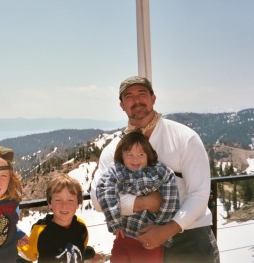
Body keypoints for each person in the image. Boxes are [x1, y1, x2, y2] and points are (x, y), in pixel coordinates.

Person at [90, 76, 219, 263]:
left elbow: (199, 193)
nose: (136, 101)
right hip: (139, 240)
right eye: (129, 96)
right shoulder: (113, 150)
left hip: (189, 236)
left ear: (153, 98)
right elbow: (97, 199)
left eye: (142, 94)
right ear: (122, 105)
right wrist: (145, 202)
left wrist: (167, 229)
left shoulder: (184, 138)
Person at [96, 130, 180, 263]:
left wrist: (160, 227)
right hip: (123, 235)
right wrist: (115, 222)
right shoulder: (117, 170)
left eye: (141, 154)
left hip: (149, 239)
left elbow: (171, 199)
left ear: (148, 155)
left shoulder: (159, 171)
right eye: (129, 154)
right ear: (121, 156)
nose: (135, 159)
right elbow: (105, 190)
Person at [18, 173, 104, 262]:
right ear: (50, 203)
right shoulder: (40, 231)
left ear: (78, 204)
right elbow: (28, 255)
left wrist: (91, 253)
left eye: (70, 200)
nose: (64, 205)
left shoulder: (81, 227)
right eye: (58, 200)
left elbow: (79, 249)